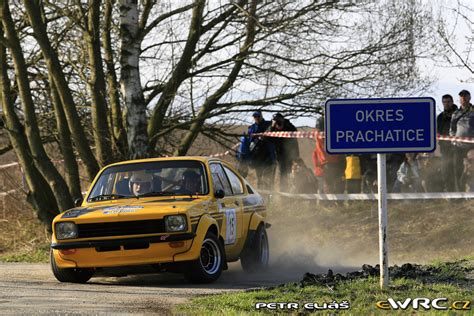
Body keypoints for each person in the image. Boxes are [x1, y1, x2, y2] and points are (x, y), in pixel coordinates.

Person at [312, 115, 344, 193]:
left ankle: (328, 202)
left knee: (327, 184)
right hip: (333, 161)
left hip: (323, 163)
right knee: (334, 183)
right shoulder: (331, 133)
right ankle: (333, 202)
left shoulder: (316, 134)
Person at [449, 89, 474, 191]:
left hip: (472, 146)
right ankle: (459, 193)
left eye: (465, 96)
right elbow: (452, 129)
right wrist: (453, 140)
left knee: (471, 169)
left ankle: (471, 190)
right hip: (458, 146)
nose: (463, 98)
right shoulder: (456, 113)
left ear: (469, 97)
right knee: (457, 169)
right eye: (461, 97)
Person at [270, 113, 300, 191]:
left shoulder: (288, 125)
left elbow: (295, 132)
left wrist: (285, 124)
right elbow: (267, 137)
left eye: (279, 121)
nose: (278, 124)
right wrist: (272, 126)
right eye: (276, 122)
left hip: (290, 154)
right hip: (280, 155)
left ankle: (292, 193)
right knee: (282, 175)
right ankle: (283, 194)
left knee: (292, 174)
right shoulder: (273, 128)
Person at [248, 111, 277, 189]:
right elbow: (250, 139)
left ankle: (270, 199)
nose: (256, 118)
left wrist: (273, 124)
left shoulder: (268, 124)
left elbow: (273, 133)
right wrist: (257, 137)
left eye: (258, 116)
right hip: (258, 157)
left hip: (268, 157)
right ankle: (261, 198)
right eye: (255, 117)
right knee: (260, 179)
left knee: (268, 179)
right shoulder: (252, 127)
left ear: (261, 116)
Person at [437, 94, 458, 191]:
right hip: (444, 148)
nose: (447, 104)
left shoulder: (458, 114)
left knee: (457, 171)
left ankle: (460, 194)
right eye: (444, 102)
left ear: (452, 102)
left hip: (458, 147)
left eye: (448, 102)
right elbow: (438, 132)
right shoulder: (440, 117)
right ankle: (450, 193)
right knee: (446, 171)